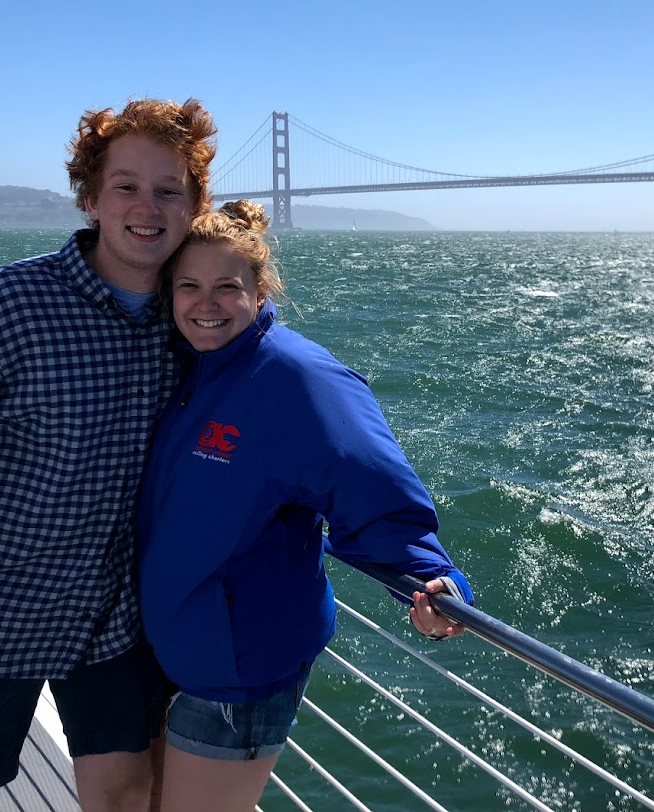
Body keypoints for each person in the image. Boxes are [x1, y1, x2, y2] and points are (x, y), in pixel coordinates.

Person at [0, 98, 218, 812]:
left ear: (193, 208)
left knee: (127, 796)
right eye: (126, 186)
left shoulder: (196, 317)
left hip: (119, 620)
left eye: (169, 190)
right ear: (91, 197)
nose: (147, 207)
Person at [136, 200, 473, 812]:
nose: (206, 304)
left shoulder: (300, 380)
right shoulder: (190, 365)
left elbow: (374, 494)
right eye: (188, 286)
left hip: (238, 673)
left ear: (260, 291)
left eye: (227, 287)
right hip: (176, 650)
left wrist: (435, 583)